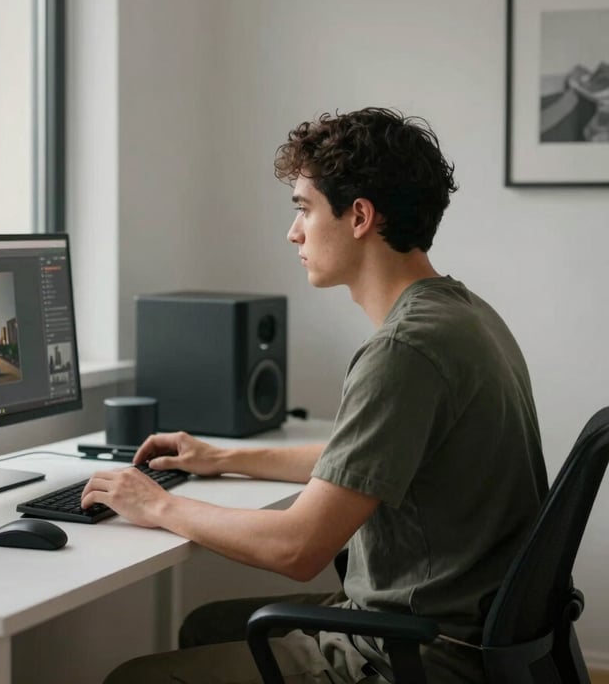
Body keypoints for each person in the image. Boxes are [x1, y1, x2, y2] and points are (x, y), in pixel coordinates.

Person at [89, 107, 548, 684]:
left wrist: (157, 504)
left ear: (359, 216)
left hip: (419, 653)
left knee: (134, 678)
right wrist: (221, 457)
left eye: (304, 209)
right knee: (207, 625)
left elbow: (298, 548)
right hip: (467, 630)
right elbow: (360, 462)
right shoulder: (463, 315)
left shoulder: (403, 351)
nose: (293, 232)